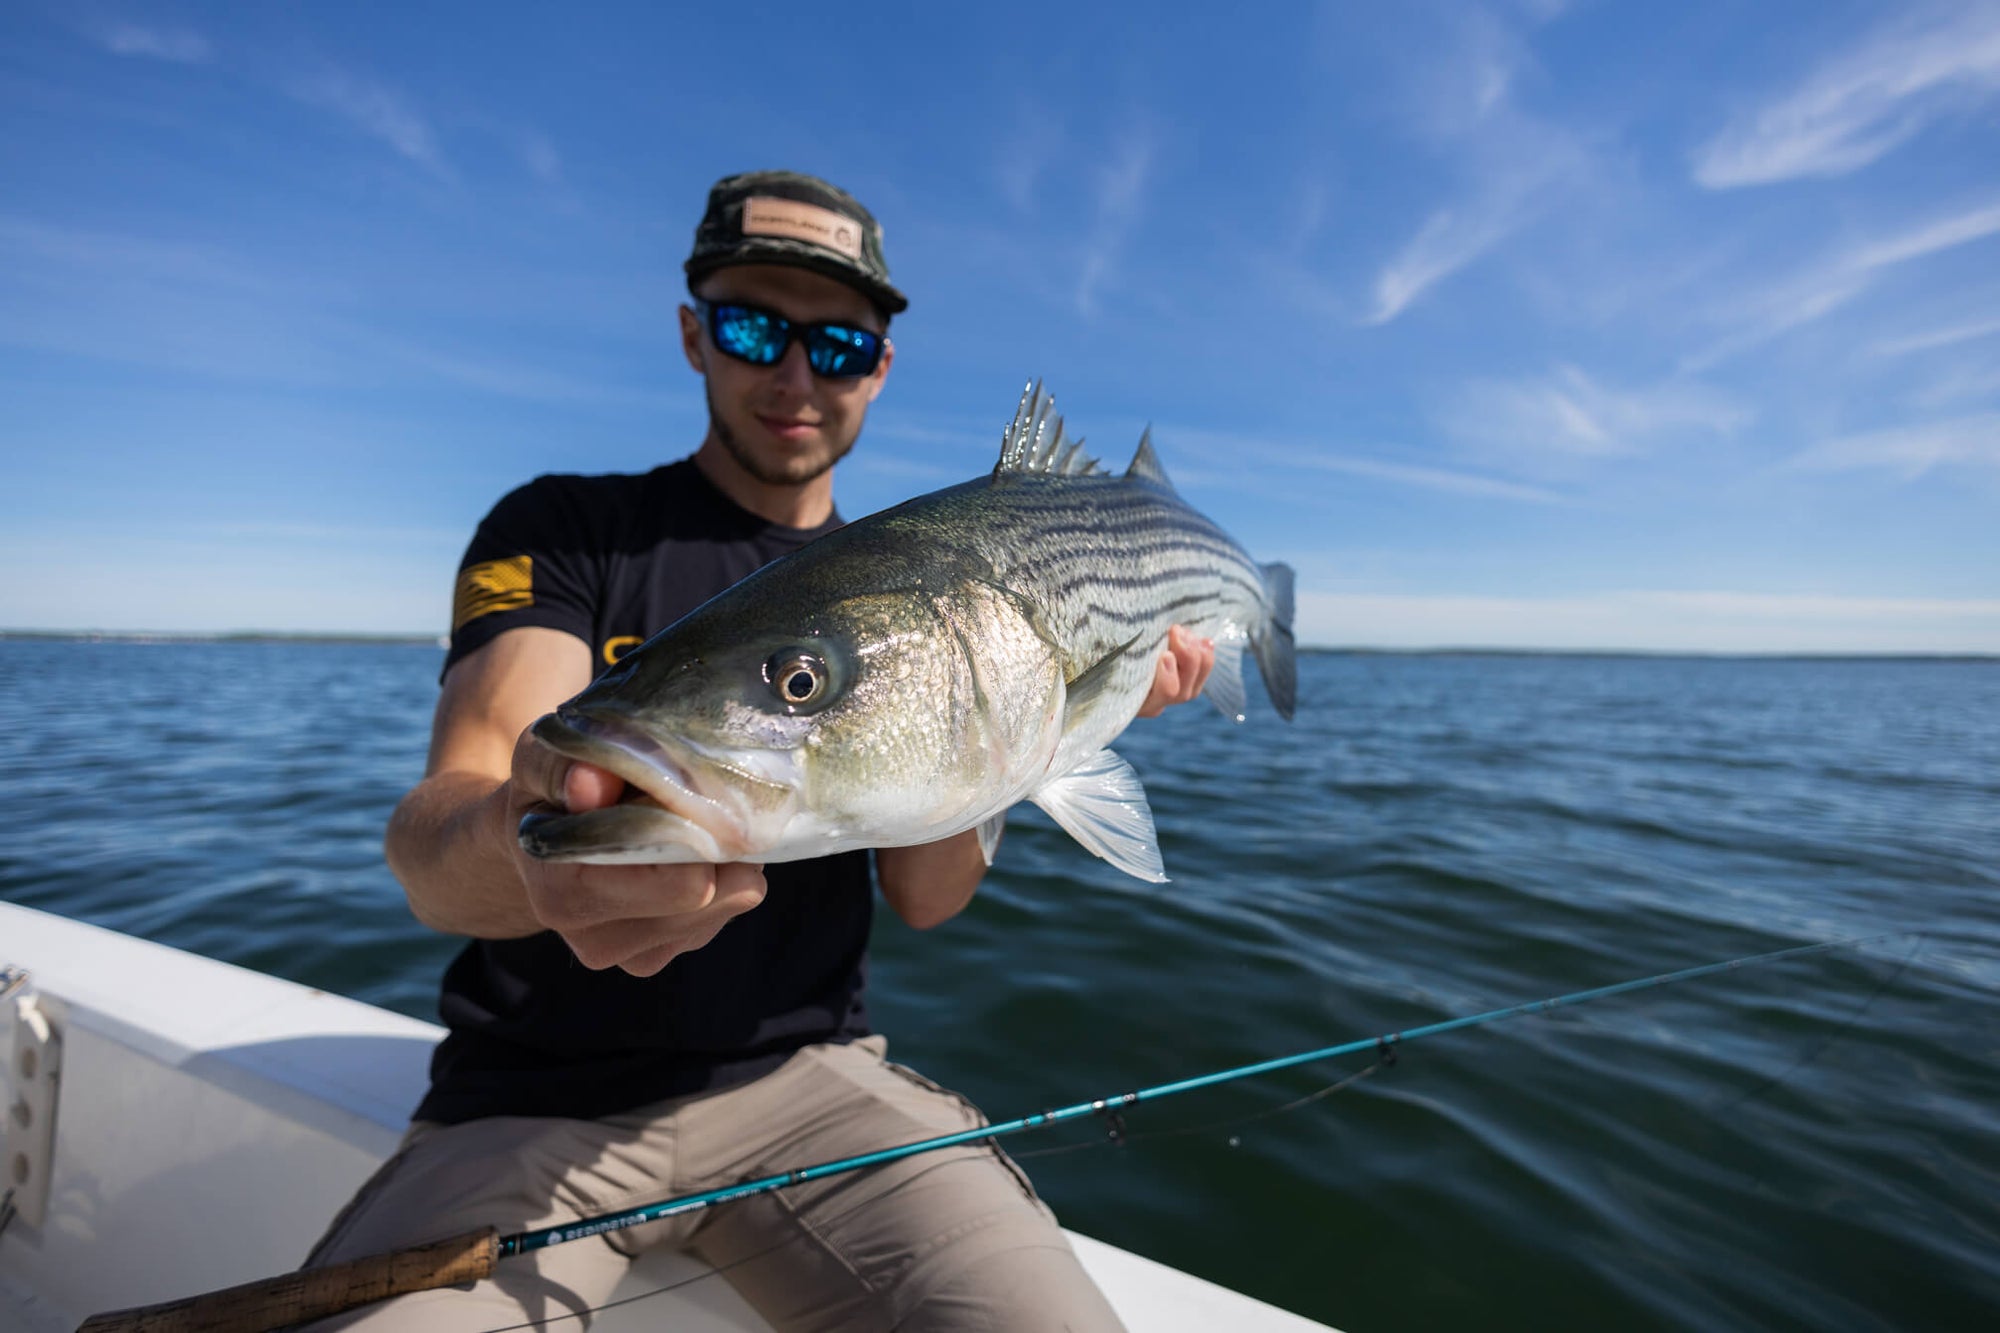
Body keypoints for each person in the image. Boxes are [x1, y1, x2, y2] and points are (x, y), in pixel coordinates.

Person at [302, 170, 1216, 1332]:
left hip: (815, 1087)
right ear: (693, 334)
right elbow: (443, 830)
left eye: (837, 343)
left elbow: (926, 902)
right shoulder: (561, 529)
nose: (795, 374)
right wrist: (520, 842)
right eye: (752, 327)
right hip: (528, 1107)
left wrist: (1054, 726)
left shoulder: (918, 563)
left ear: (879, 368)